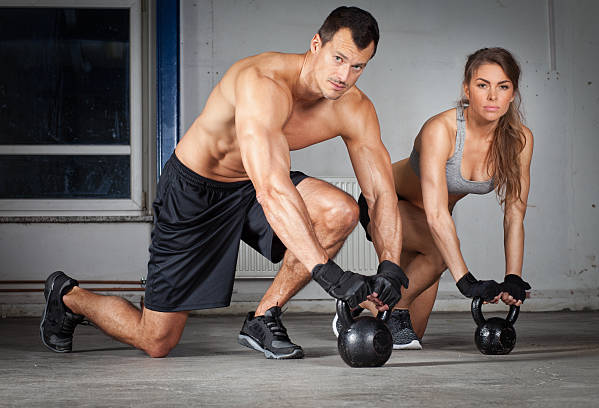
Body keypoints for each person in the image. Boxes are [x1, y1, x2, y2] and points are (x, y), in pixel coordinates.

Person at [40, 6, 409, 359]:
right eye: (338, 59)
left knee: (340, 210)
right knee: (156, 339)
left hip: (251, 183)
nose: (344, 76)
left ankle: (264, 318)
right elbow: (272, 190)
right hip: (197, 191)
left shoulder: (354, 107)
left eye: (357, 66)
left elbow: (379, 193)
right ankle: (68, 296)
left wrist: (390, 266)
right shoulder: (263, 83)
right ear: (317, 44)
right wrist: (328, 274)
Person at [333, 47, 533, 350]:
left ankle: (357, 306)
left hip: (429, 224)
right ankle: (379, 304)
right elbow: (437, 214)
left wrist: (514, 277)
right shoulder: (442, 129)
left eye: (502, 86)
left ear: (512, 93)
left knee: (413, 330)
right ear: (467, 89)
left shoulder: (520, 140)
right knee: (438, 255)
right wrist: (465, 280)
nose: (492, 96)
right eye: (482, 85)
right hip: (387, 204)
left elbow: (515, 214)